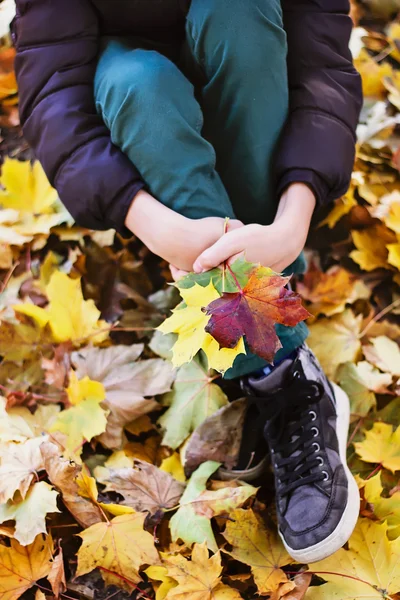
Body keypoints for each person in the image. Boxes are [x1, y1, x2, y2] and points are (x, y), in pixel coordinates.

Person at [13, 0, 363, 563]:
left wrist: (291, 224)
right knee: (137, 82)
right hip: (144, 126)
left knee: (240, 13)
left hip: (254, 102)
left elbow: (322, 65)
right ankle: (277, 368)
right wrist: (153, 222)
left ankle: (270, 358)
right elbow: (54, 88)